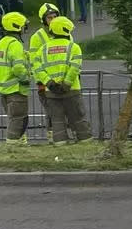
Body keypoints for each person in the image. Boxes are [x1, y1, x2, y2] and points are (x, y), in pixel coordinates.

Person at [31, 16, 93, 145]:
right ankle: (85, 141)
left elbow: (37, 68)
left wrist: (49, 83)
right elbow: (75, 67)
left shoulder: (43, 49)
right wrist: (67, 83)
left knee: (57, 120)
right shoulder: (73, 47)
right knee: (78, 118)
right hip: (72, 90)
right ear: (65, 30)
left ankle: (60, 143)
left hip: (51, 92)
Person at [0, 12, 31, 145]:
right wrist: (26, 78)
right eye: (24, 26)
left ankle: (17, 143)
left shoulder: (0, 43)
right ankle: (12, 146)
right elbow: (18, 68)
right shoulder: (15, 44)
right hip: (16, 89)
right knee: (18, 120)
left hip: (3, 89)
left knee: (13, 118)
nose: (25, 29)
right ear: (17, 27)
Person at [30, 3, 61, 142]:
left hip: (64, 82)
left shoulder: (64, 32)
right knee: (52, 112)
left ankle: (62, 137)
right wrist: (41, 82)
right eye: (49, 18)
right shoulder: (37, 37)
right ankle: (52, 138)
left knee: (66, 112)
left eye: (55, 16)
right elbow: (34, 63)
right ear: (44, 20)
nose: (53, 20)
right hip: (46, 83)